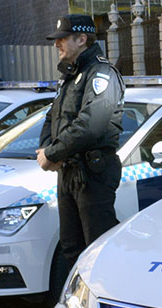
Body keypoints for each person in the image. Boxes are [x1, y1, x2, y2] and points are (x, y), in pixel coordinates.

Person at [36, 14, 125, 275]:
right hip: (69, 171)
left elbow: (91, 124)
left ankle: (103, 307)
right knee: (71, 247)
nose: (56, 44)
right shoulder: (71, 74)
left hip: (92, 173)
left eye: (62, 39)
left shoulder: (101, 73)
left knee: (97, 249)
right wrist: (46, 151)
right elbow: (52, 116)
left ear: (82, 39)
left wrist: (53, 153)